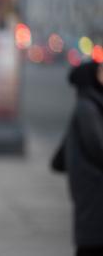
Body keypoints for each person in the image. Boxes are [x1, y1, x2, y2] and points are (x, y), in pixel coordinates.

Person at [61, 60, 103, 256]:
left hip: (89, 186)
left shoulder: (89, 104)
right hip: (93, 187)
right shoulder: (87, 108)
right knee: (92, 239)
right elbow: (97, 147)